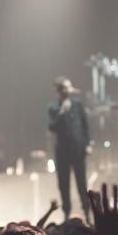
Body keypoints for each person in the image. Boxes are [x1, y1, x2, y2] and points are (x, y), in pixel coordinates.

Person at [47, 76, 92, 221]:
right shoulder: (53, 107)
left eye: (69, 87)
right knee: (63, 183)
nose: (67, 90)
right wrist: (62, 112)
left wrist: (88, 144)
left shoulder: (77, 104)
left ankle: (87, 213)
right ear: (58, 90)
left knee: (81, 182)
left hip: (78, 148)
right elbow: (51, 127)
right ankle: (66, 214)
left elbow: (85, 125)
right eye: (65, 88)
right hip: (62, 150)